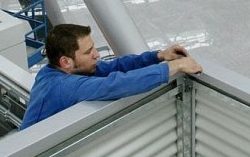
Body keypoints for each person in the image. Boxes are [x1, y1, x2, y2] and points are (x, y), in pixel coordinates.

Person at [19, 24, 202, 130]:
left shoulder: (59, 69)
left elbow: (114, 66)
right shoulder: (61, 86)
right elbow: (114, 84)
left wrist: (158, 56)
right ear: (66, 62)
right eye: (88, 52)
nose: (96, 55)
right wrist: (174, 66)